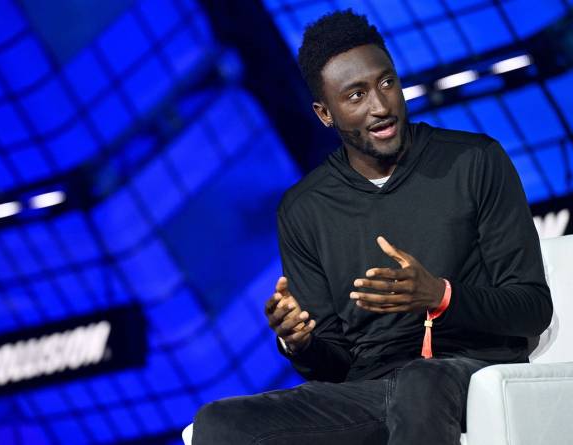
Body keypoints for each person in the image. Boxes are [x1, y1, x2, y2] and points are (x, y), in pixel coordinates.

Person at [193, 9, 552, 445]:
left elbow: (532, 308)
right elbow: (333, 364)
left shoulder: (475, 160)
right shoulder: (304, 209)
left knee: (419, 383)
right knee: (217, 422)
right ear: (325, 113)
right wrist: (299, 343)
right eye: (356, 95)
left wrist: (441, 295)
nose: (381, 106)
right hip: (366, 391)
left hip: (468, 369)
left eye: (386, 83)